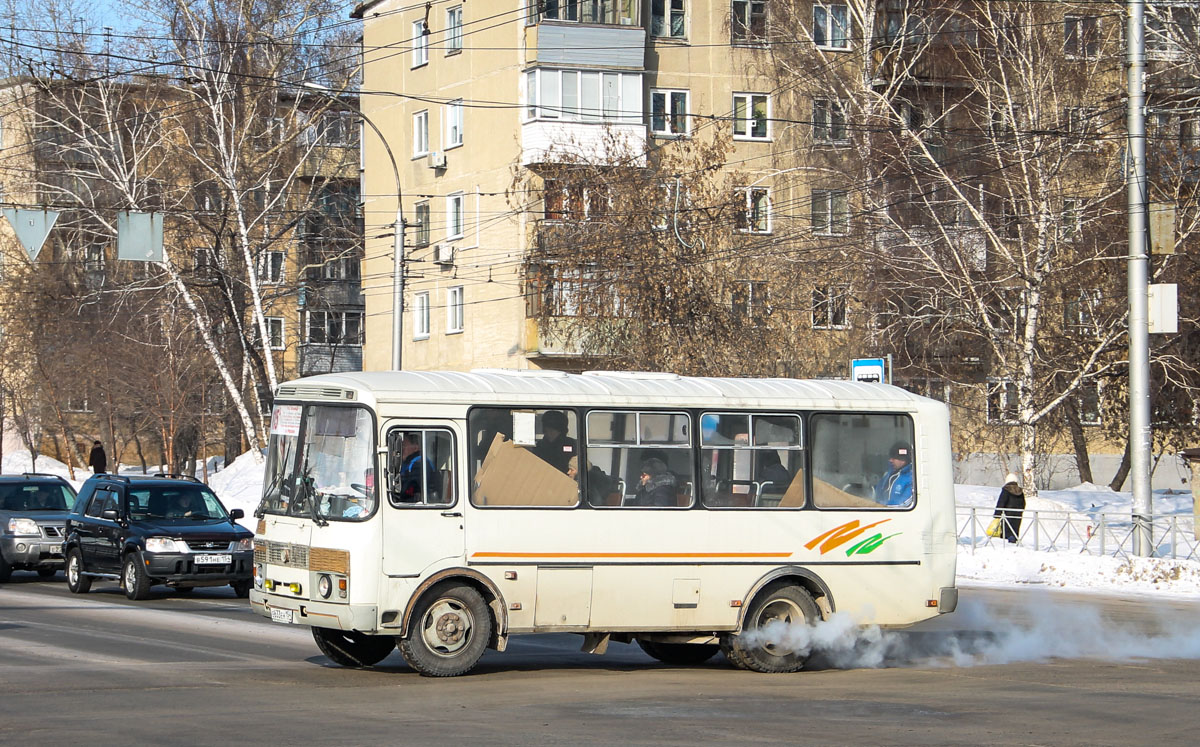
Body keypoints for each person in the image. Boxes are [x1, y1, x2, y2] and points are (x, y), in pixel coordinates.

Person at [397, 433, 440, 503]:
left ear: (415, 448)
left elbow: (411, 488)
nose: (401, 449)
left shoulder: (420, 463)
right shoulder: (407, 462)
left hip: (418, 502)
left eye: (403, 446)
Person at [993, 472, 1026, 543]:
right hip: (1018, 515)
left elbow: (1001, 502)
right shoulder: (1020, 491)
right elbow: (1023, 503)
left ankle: (1008, 545)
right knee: (1015, 530)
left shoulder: (1006, 490)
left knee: (1007, 530)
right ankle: (1014, 540)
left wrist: (997, 514)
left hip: (1007, 514)